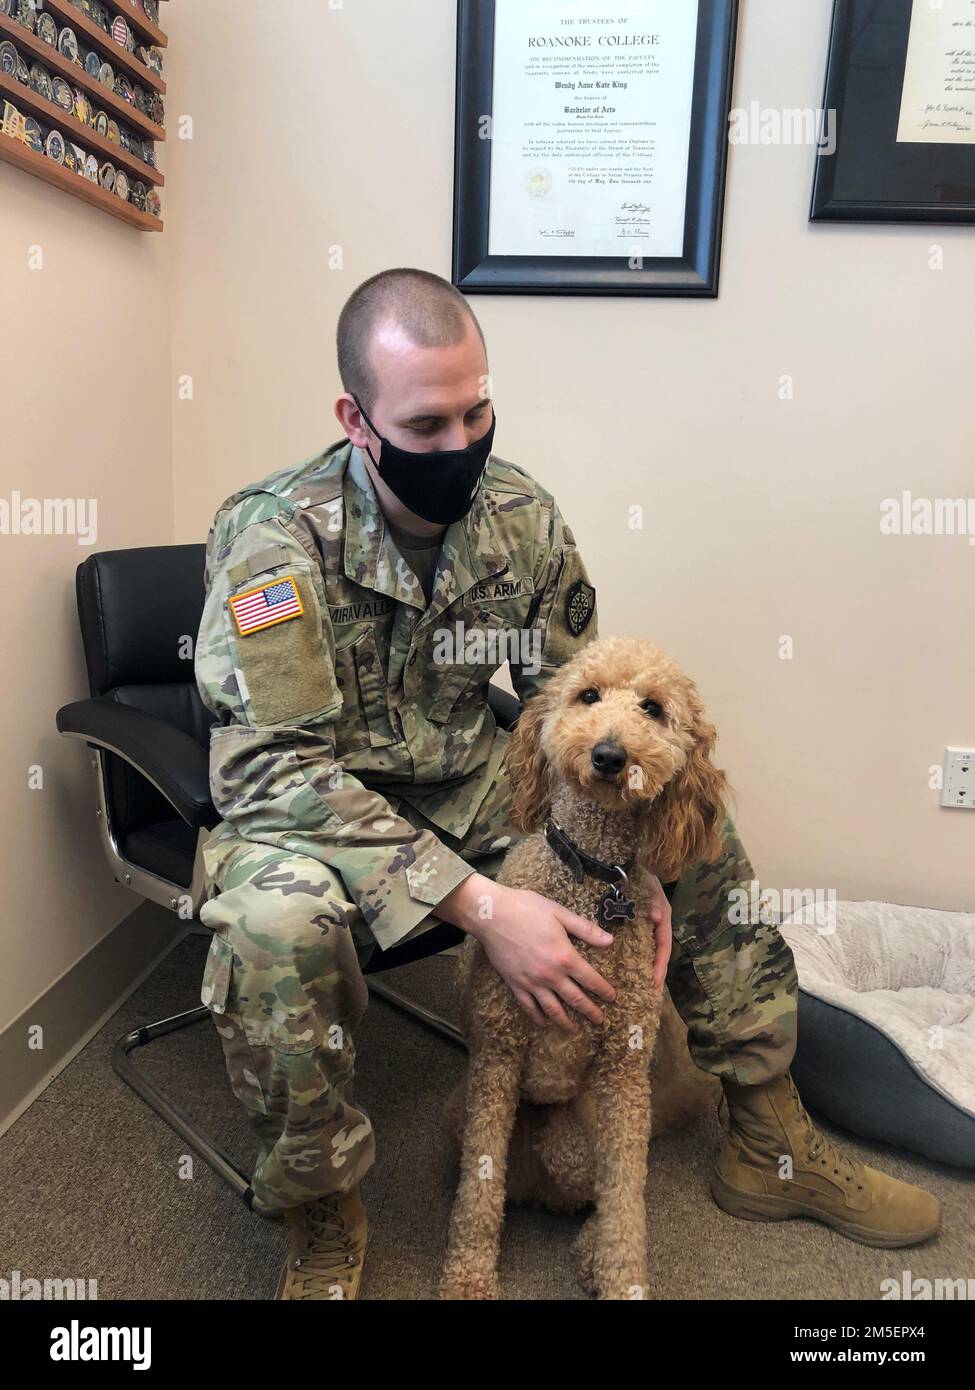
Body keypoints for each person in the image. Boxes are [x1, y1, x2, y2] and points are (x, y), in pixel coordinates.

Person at [194, 267, 940, 1301]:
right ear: (355, 420)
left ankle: (765, 1132)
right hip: (314, 807)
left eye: (477, 409)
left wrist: (634, 867)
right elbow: (274, 765)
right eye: (427, 422)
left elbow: (582, 711)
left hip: (464, 786)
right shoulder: (275, 538)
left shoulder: (519, 516)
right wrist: (487, 904)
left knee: (696, 828)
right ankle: (322, 1206)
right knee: (277, 928)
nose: (462, 444)